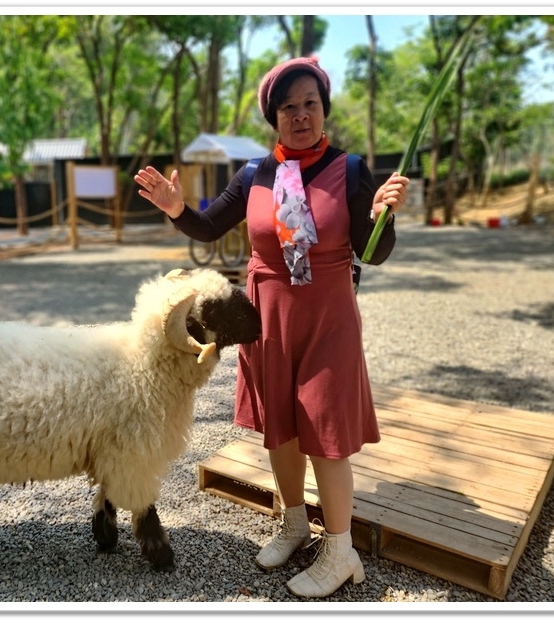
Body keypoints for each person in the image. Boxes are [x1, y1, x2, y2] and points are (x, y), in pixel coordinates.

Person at [134, 56, 410, 599]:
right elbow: (210, 224)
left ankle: (340, 550)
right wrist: (176, 208)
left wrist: (382, 218)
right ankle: (293, 523)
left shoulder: (351, 170)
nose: (300, 114)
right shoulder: (255, 174)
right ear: (274, 116)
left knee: (327, 436)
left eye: (309, 103)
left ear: (323, 109)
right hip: (269, 317)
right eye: (288, 107)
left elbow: (373, 254)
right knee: (279, 426)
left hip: (327, 317)